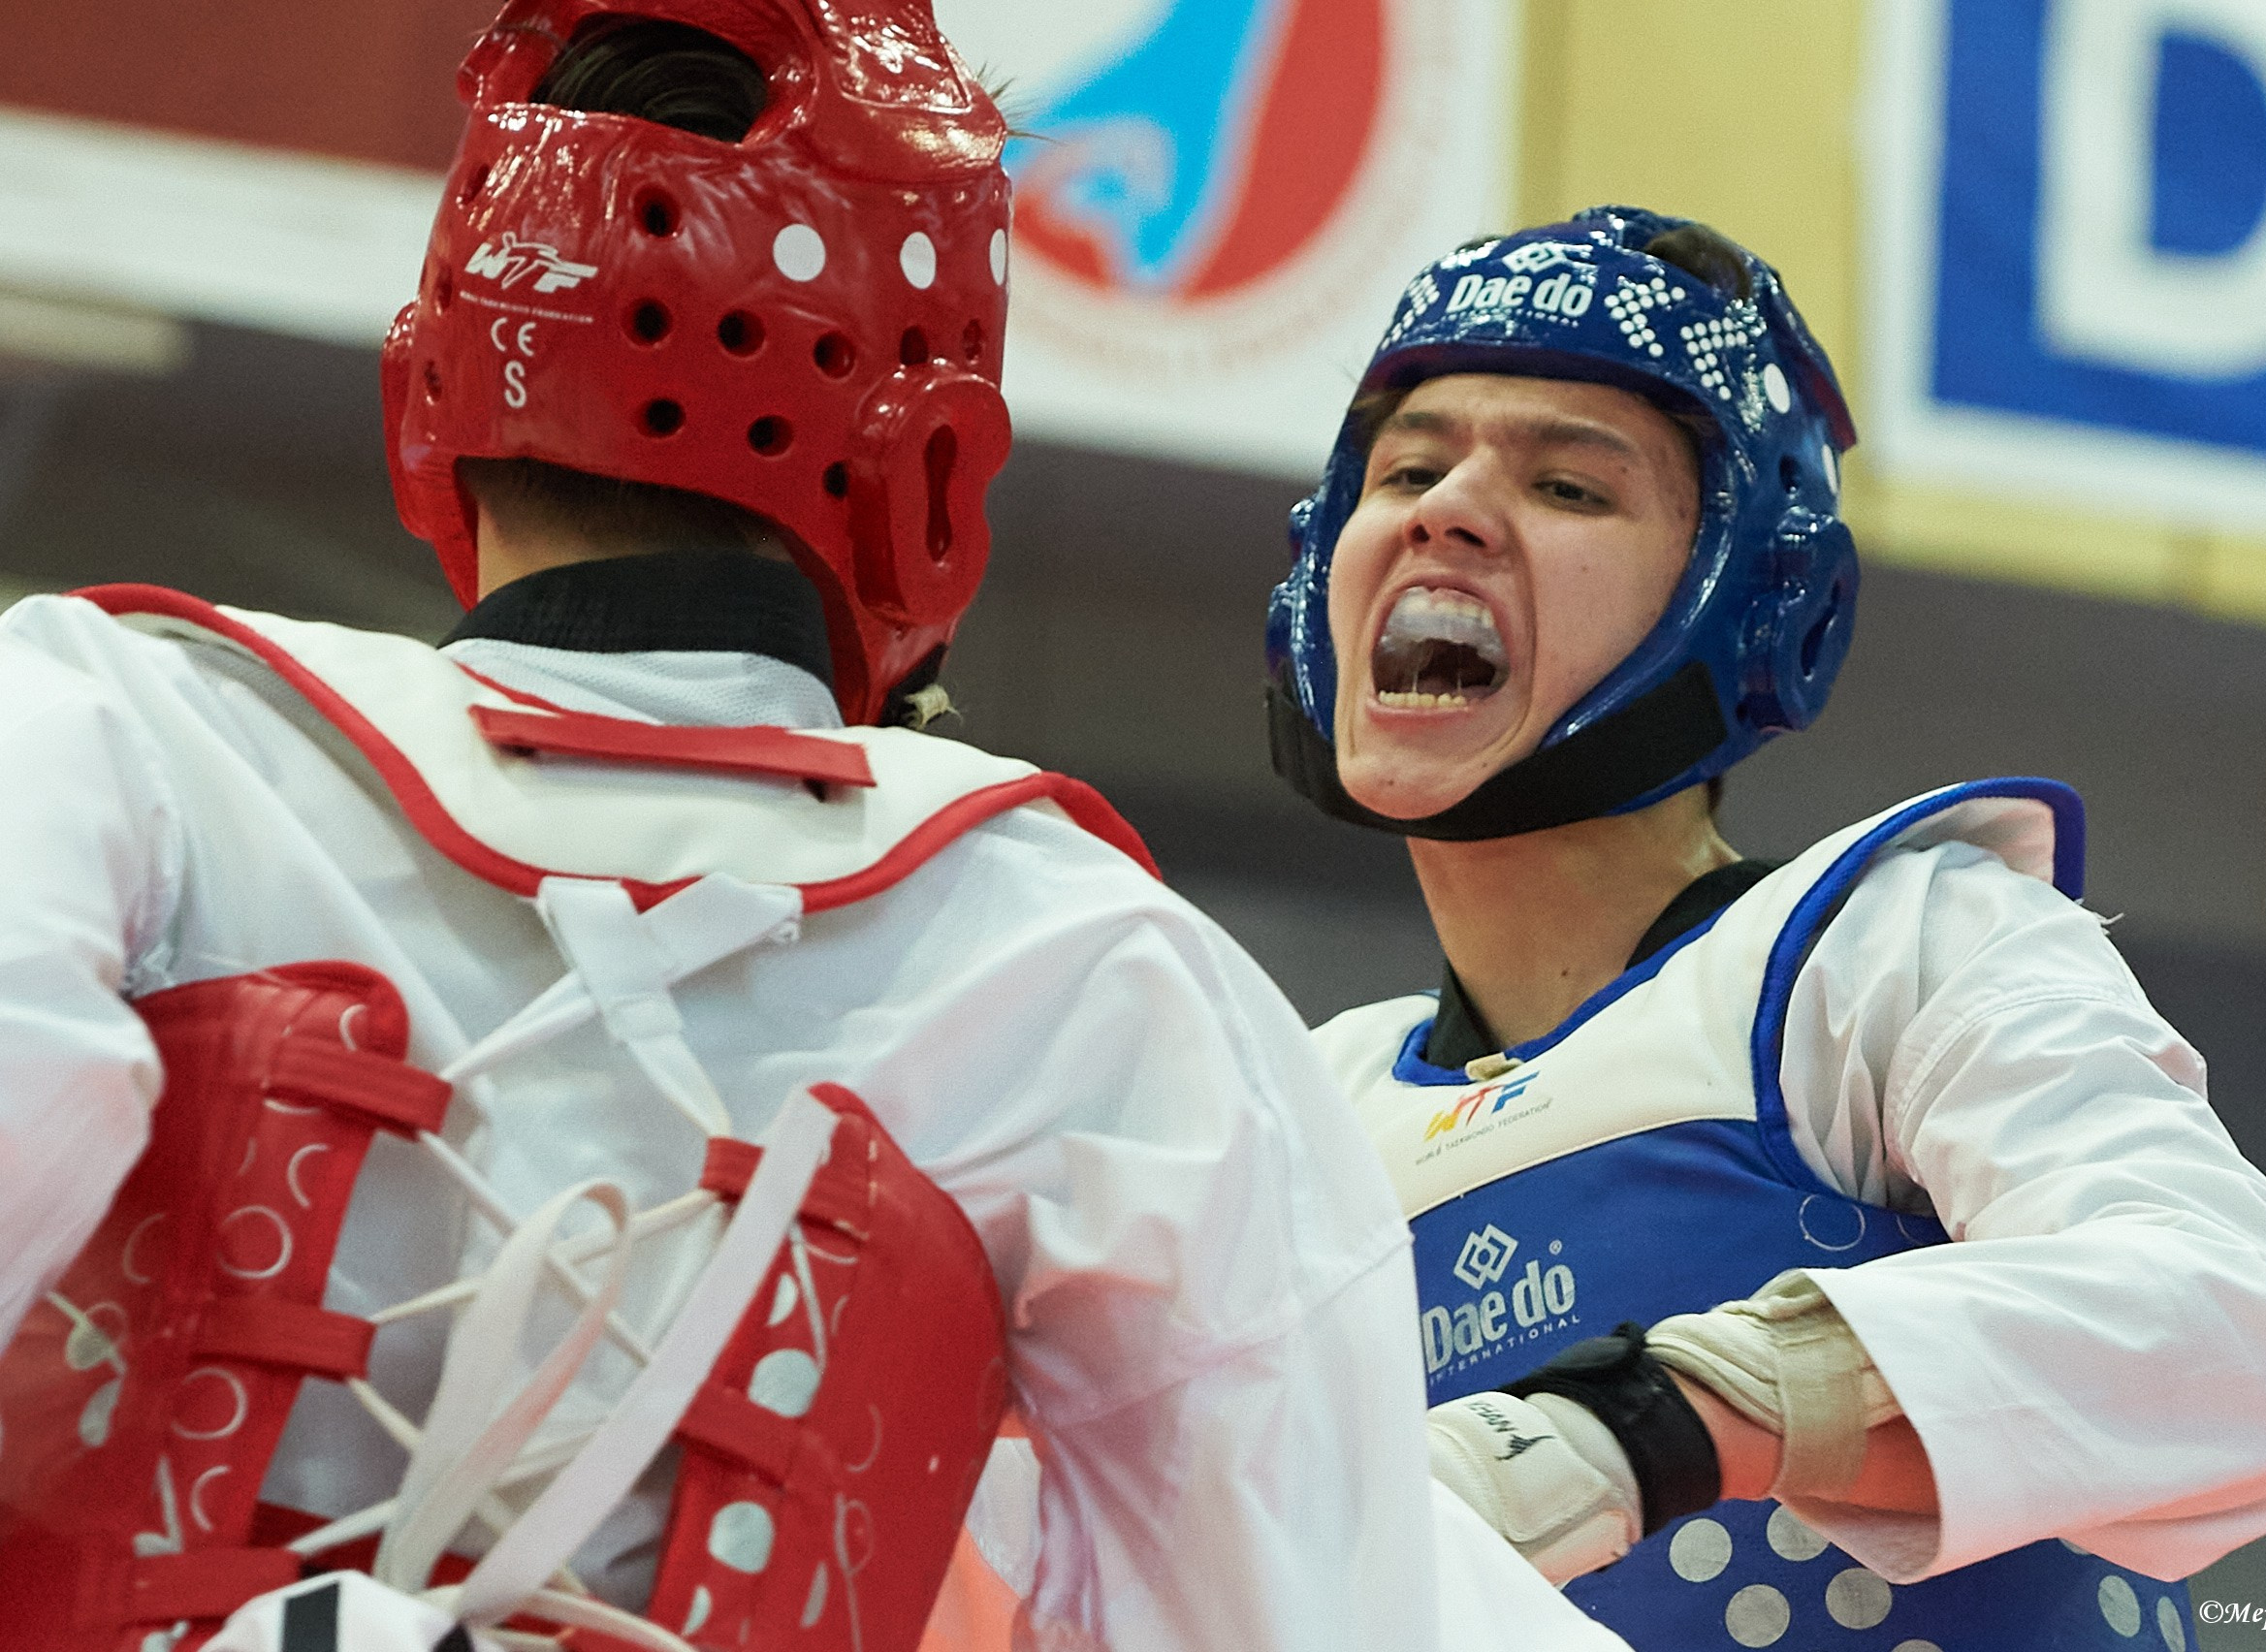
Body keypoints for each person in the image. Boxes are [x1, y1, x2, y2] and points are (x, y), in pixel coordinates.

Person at [0, 7, 1606, 1649]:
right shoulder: (1091, 963)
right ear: (934, 486)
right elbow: (1307, 1616)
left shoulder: (110, 722)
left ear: (429, 408)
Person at [1265, 206, 2266, 1651]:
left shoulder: (1892, 946)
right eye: (1409, 467)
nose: (1444, 509)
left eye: (1570, 489)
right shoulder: (1302, 1110)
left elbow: (2250, 1337)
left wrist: (1659, 1426)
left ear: (1752, 602)